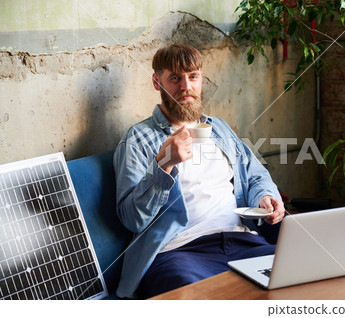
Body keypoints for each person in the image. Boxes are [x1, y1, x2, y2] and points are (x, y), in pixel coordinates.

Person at [113, 43, 285, 299]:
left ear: (201, 79)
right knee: (189, 298)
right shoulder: (138, 139)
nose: (186, 87)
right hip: (180, 252)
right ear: (156, 82)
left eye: (192, 77)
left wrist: (265, 197)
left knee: (297, 279)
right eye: (174, 78)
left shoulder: (220, 129)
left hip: (241, 240)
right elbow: (132, 219)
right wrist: (164, 166)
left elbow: (255, 175)